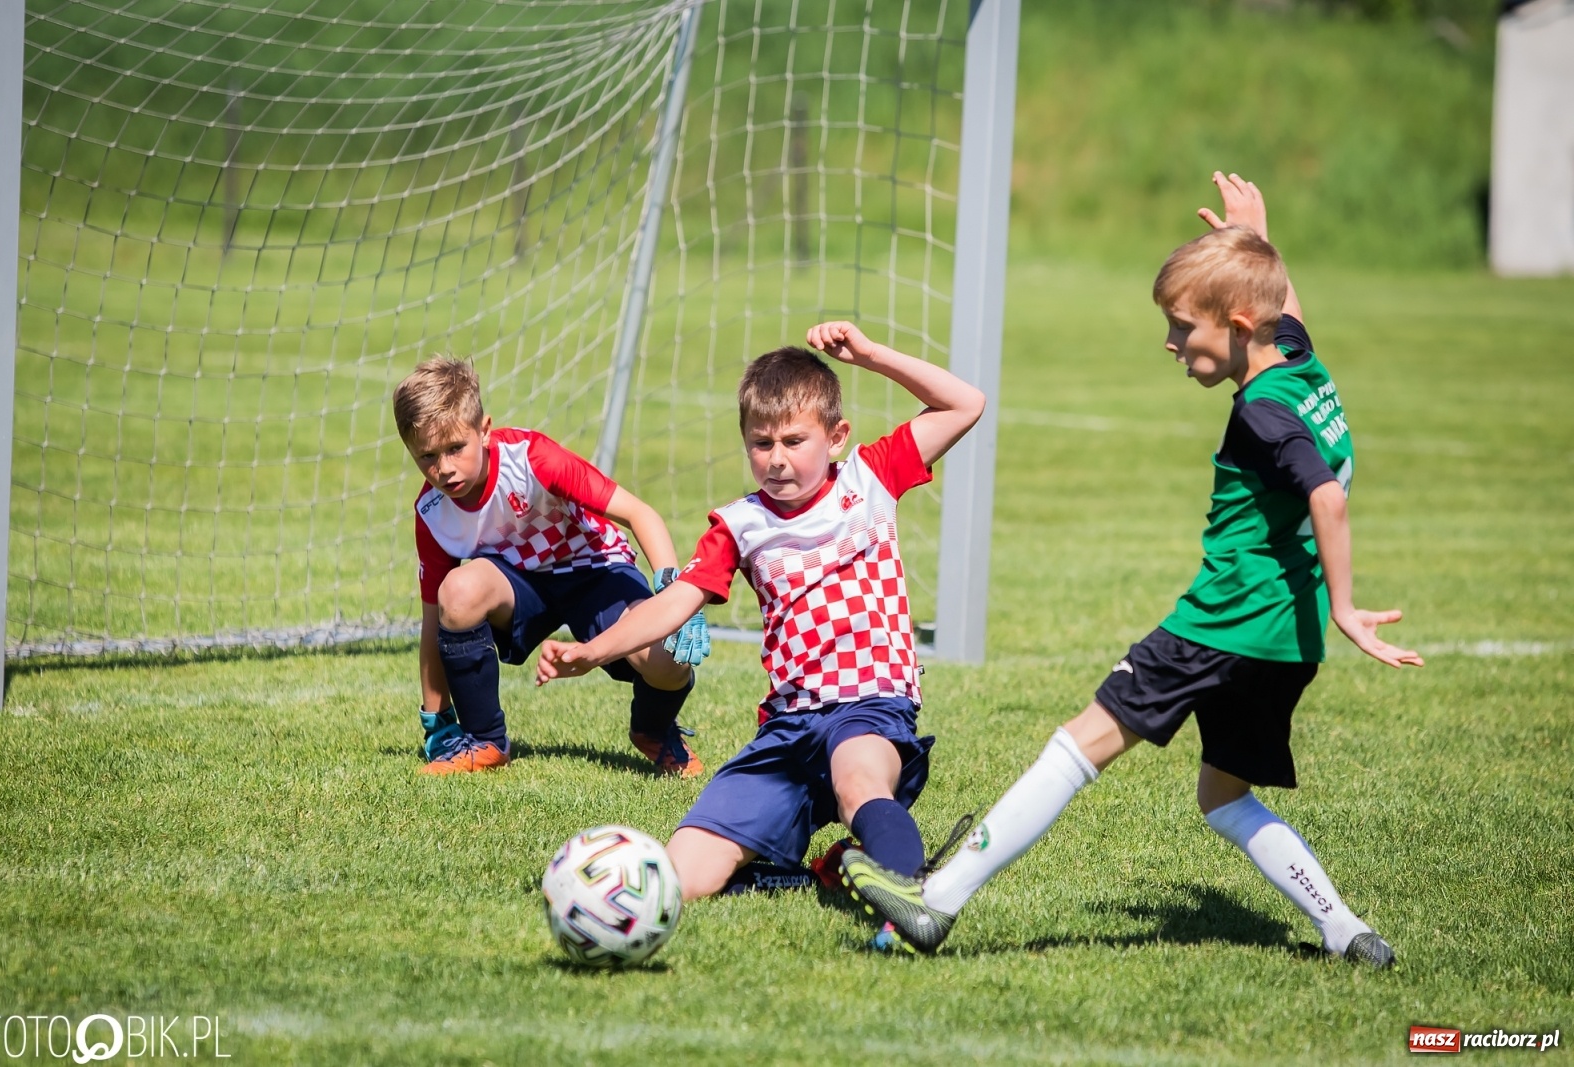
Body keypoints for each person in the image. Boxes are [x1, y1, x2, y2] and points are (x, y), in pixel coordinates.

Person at [839, 173, 1421, 966]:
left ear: (1239, 324)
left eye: (1184, 329)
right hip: (1286, 642)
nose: (1173, 344)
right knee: (1223, 797)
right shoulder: (1297, 363)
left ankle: (935, 901)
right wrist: (1259, 241)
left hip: (1221, 624)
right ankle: (1343, 926)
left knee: (1075, 746)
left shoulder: (1264, 412)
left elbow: (1326, 496)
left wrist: (1350, 605)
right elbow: (1288, 314)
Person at [536, 324, 986, 900]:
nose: (776, 460)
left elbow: (964, 403)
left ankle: (915, 902)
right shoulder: (741, 524)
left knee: (858, 783)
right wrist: (592, 651)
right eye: (761, 442)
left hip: (868, 704)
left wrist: (870, 355)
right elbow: (677, 599)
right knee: (682, 879)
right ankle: (827, 871)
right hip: (787, 726)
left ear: (837, 436)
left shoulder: (871, 477)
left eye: (794, 441)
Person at [392, 356, 710, 776]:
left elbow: (641, 514)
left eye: (455, 449)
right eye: (427, 456)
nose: (444, 468)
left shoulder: (534, 459)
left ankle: (653, 730)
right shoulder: (432, 512)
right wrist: (436, 718)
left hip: (594, 569)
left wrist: (674, 594)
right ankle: (484, 740)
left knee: (669, 663)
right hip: (521, 585)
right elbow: (433, 618)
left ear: (484, 431)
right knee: (457, 591)